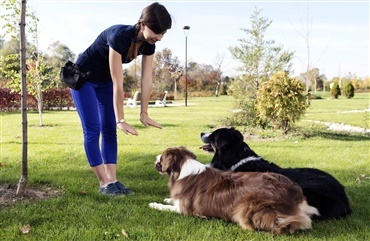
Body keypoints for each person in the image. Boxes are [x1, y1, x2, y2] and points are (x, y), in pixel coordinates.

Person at [70, 2, 172, 196]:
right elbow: (119, 82)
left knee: (109, 131)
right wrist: (121, 119)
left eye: (163, 33)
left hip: (104, 81)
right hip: (84, 79)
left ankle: (113, 181)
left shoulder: (149, 45)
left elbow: (146, 79)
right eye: (157, 31)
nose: (159, 37)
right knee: (93, 130)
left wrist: (144, 112)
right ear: (142, 24)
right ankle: (103, 183)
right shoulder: (119, 36)